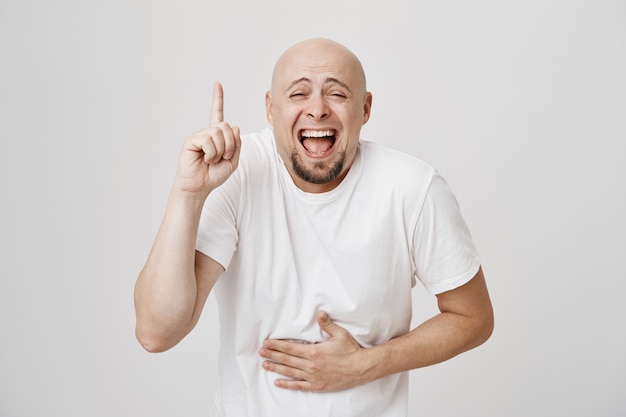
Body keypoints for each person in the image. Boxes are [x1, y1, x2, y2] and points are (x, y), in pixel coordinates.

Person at [134, 38, 494, 416]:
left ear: (365, 108)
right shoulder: (237, 174)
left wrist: (364, 365)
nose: (317, 110)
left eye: (337, 93)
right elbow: (157, 333)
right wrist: (188, 194)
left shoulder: (412, 188)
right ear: (271, 109)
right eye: (298, 93)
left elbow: (473, 317)